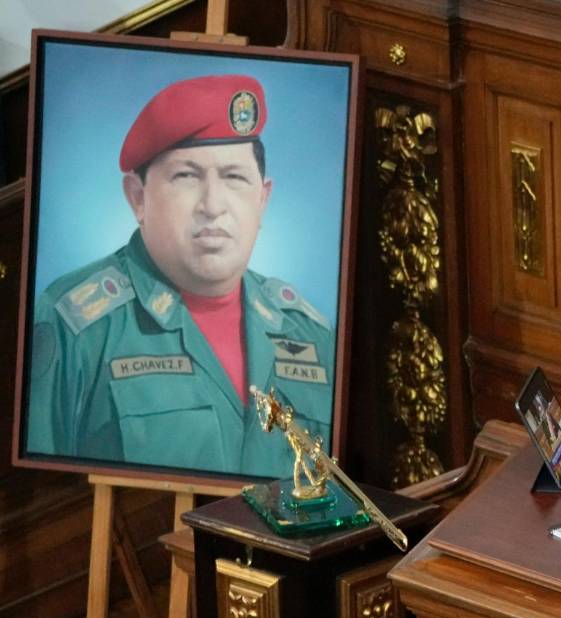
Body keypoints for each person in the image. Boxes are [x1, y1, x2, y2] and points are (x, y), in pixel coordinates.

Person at [25, 74, 335, 478]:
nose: (212, 205)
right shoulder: (76, 326)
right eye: (187, 176)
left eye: (234, 178)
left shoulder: (308, 332)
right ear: (138, 198)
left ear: (263, 199)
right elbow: (41, 508)